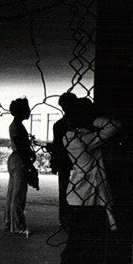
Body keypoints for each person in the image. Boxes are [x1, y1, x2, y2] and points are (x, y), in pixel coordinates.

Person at [56, 99, 121, 264]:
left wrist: (86, 120)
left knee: (75, 248)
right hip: (90, 202)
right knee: (90, 252)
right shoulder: (80, 138)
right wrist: (93, 119)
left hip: (77, 199)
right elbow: (114, 125)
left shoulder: (71, 136)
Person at [4, 98, 36, 236]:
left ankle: (8, 222)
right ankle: (18, 226)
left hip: (14, 159)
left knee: (11, 193)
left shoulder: (15, 125)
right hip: (20, 161)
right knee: (19, 195)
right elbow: (22, 147)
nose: (29, 111)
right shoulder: (17, 127)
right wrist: (30, 164)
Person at [49, 92, 78, 227]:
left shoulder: (59, 125)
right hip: (73, 161)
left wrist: (54, 162)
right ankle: (69, 217)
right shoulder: (79, 124)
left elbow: (57, 146)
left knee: (64, 190)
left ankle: (65, 218)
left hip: (64, 162)